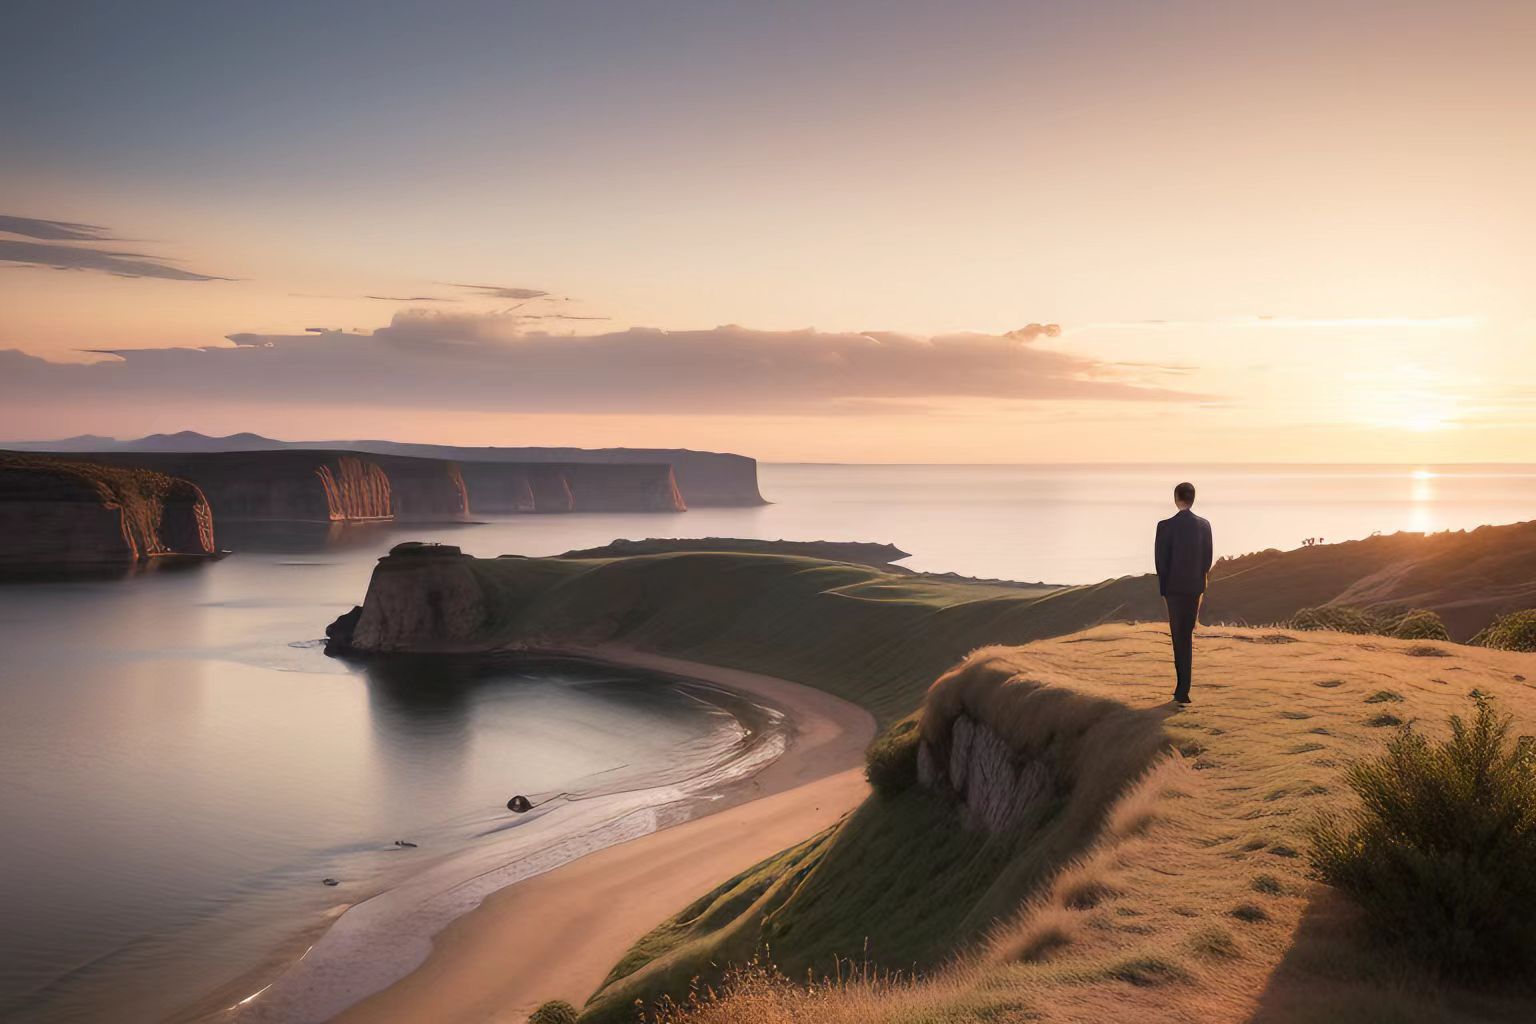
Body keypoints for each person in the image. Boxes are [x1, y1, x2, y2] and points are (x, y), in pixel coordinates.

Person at [1154, 481, 1213, 704]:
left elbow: (1161, 562)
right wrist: (1200, 583)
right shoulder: (1204, 525)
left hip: (1174, 590)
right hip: (1195, 588)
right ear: (1193, 498)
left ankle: (1182, 690)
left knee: (1179, 637)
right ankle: (1183, 688)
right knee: (1186, 635)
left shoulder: (1165, 526)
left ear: (1176, 498)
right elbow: (1207, 559)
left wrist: (1165, 590)